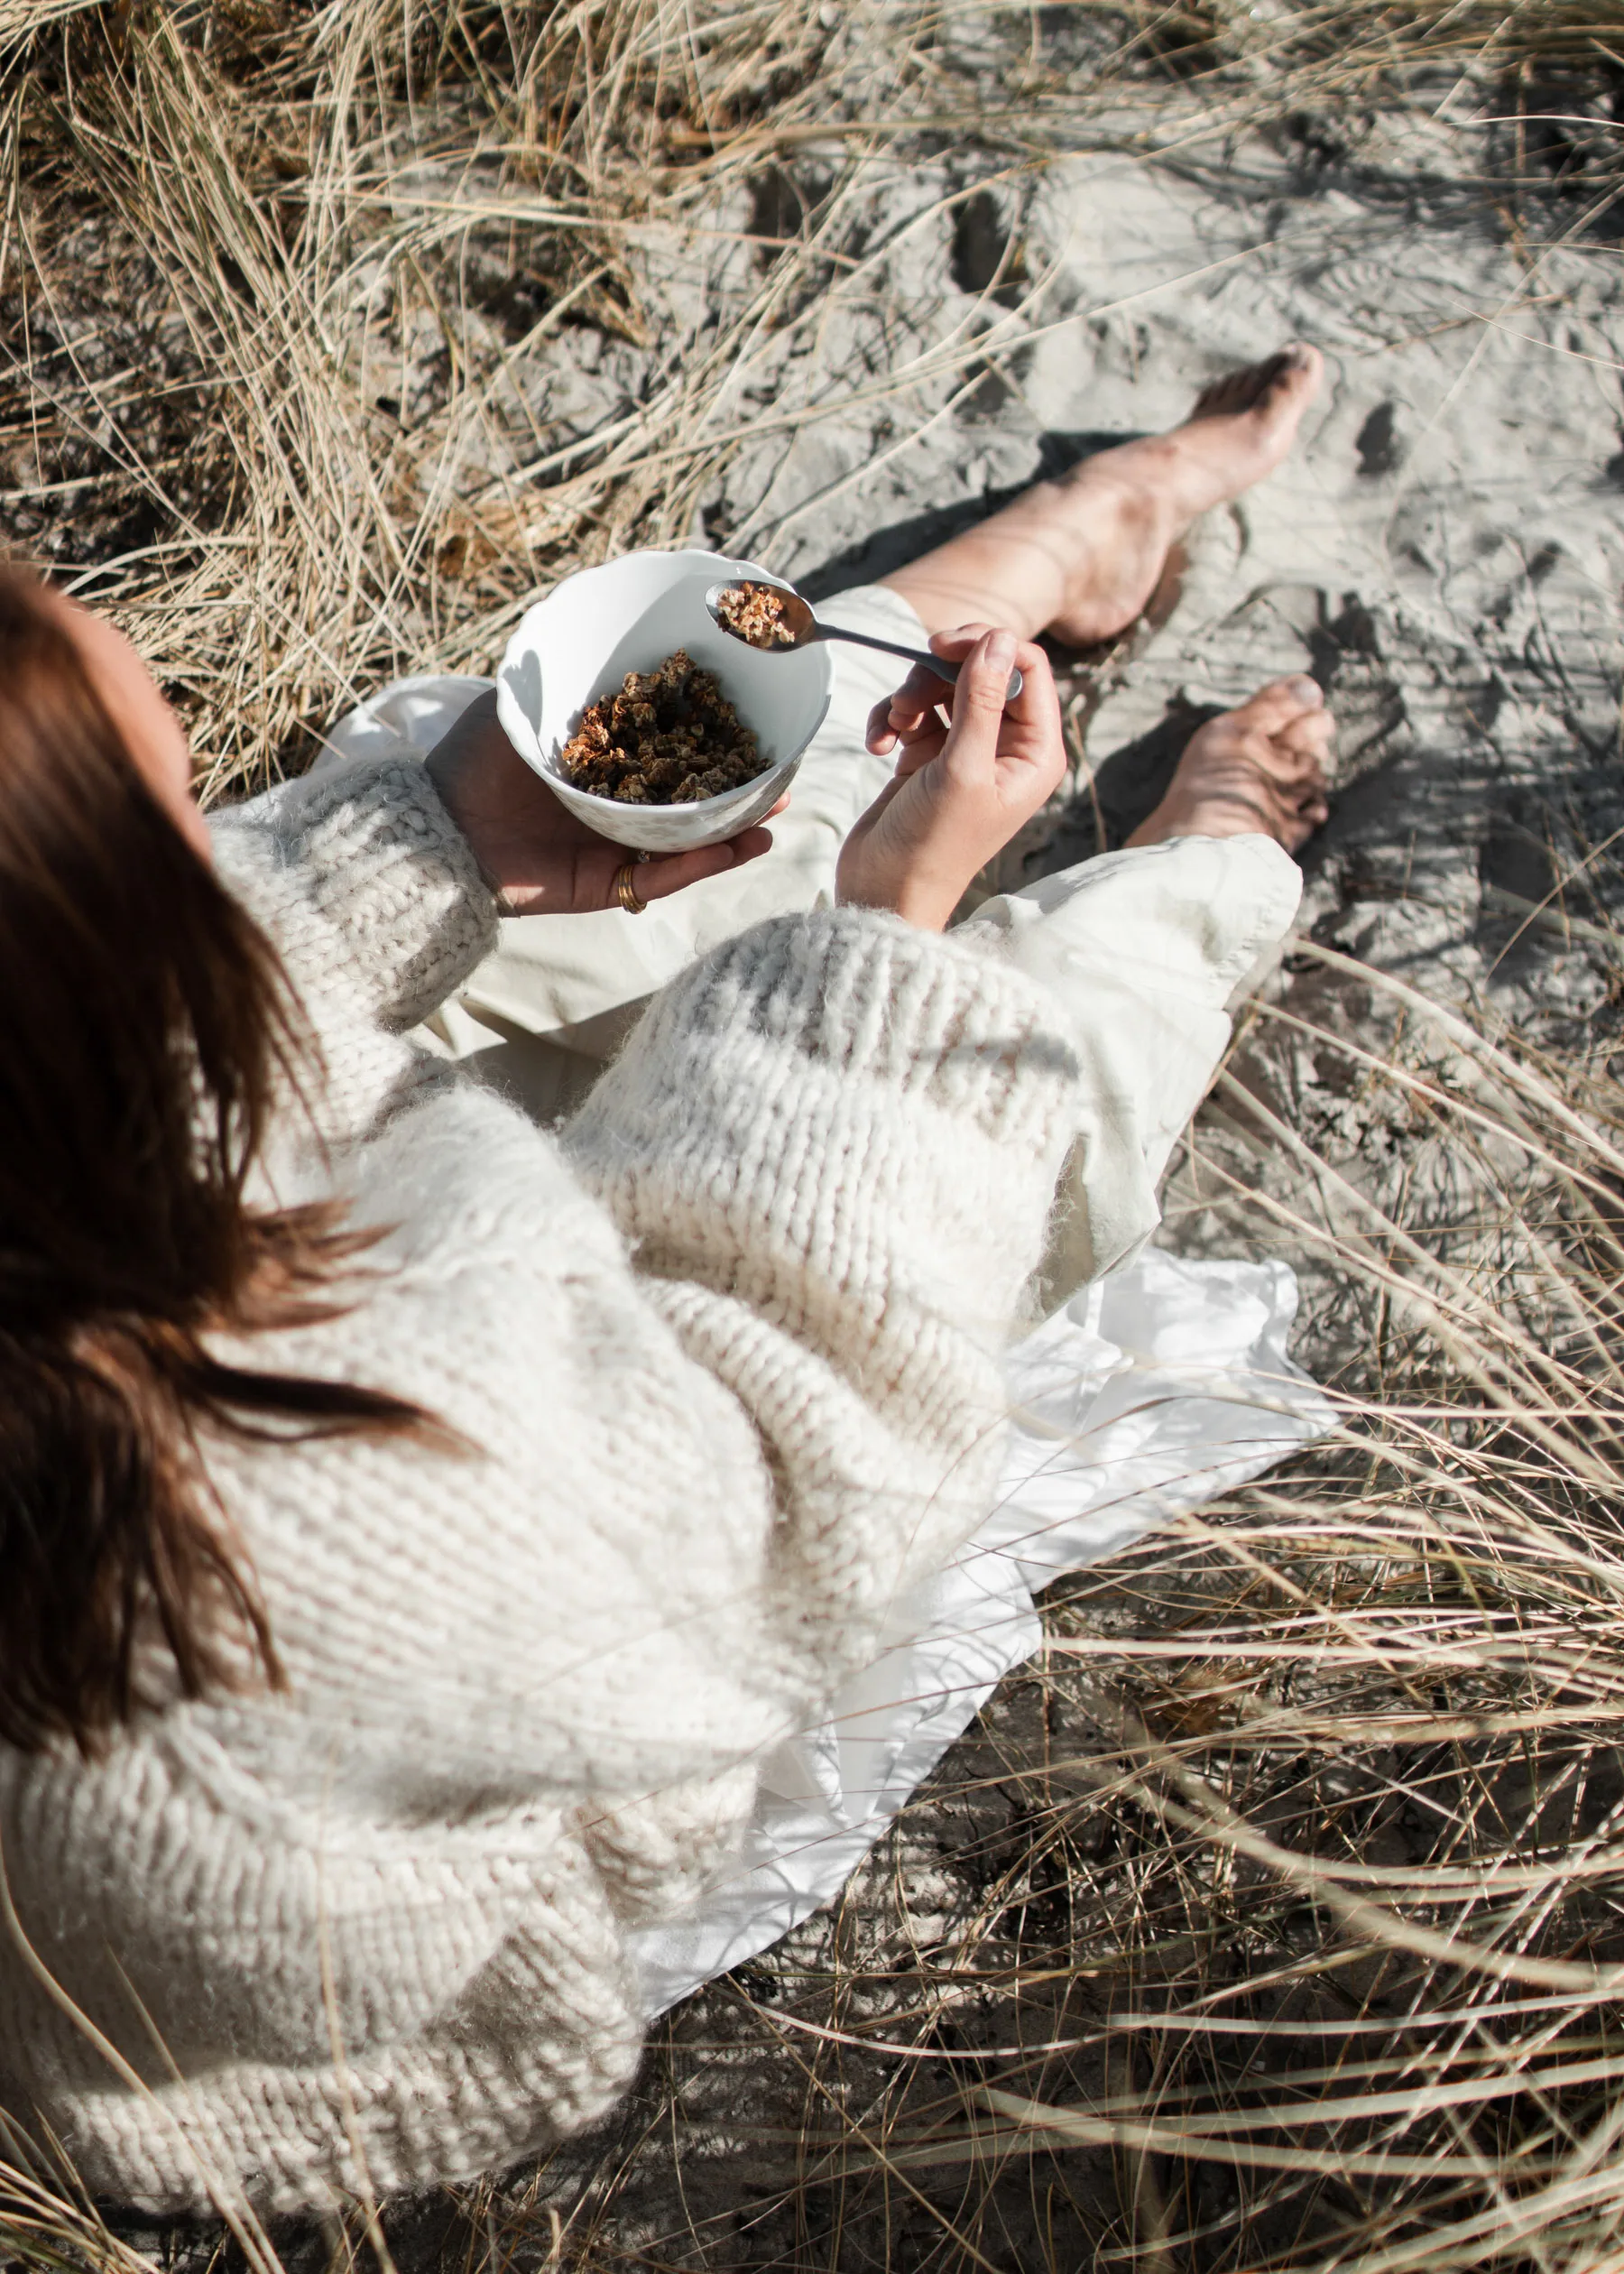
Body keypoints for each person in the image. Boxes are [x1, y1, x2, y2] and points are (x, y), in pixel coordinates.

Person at [0, 347, 1331, 2216]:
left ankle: (1066, 545)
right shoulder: (264, 1545)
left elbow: (182, 980)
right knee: (1022, 1080)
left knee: (640, 738)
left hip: (247, 1308)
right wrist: (891, 925)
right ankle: (1216, 864)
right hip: (476, 1833)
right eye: (166, 821)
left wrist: (435, 838)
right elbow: (799, 1456)